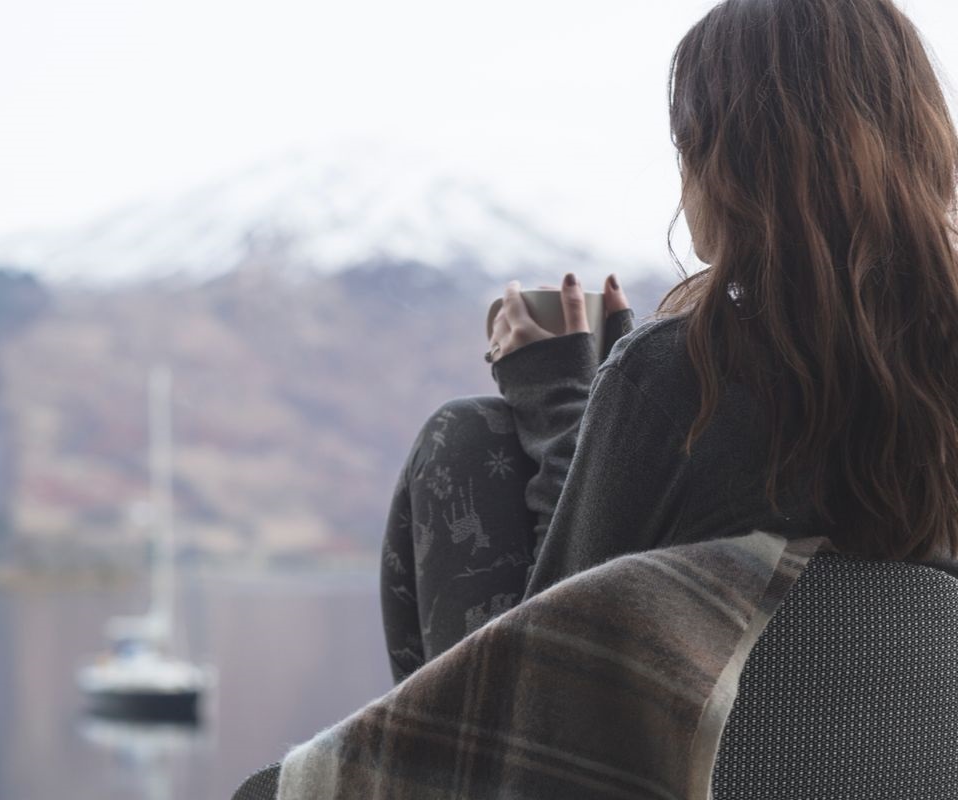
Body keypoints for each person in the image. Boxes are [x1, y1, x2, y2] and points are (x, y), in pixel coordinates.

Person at [380, 0, 958, 685]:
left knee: (467, 438)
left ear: (734, 167)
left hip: (677, 774)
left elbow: (550, 660)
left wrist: (565, 399)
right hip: (906, 760)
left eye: (689, 148)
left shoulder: (685, 376)